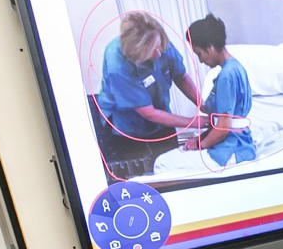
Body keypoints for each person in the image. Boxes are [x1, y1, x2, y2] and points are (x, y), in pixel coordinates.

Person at [95, 11, 202, 141]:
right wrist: (192, 122)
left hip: (160, 114)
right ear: (137, 52)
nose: (159, 54)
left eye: (159, 47)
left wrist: (203, 105)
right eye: (152, 51)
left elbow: (181, 76)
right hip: (125, 125)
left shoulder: (160, 42)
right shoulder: (117, 62)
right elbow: (148, 112)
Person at [182, 14, 257, 167]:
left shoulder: (226, 77)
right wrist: (199, 139)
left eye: (199, 54)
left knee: (166, 163)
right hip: (240, 143)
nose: (201, 60)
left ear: (210, 47)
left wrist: (199, 145)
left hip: (232, 148)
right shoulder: (235, 67)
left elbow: (223, 127)